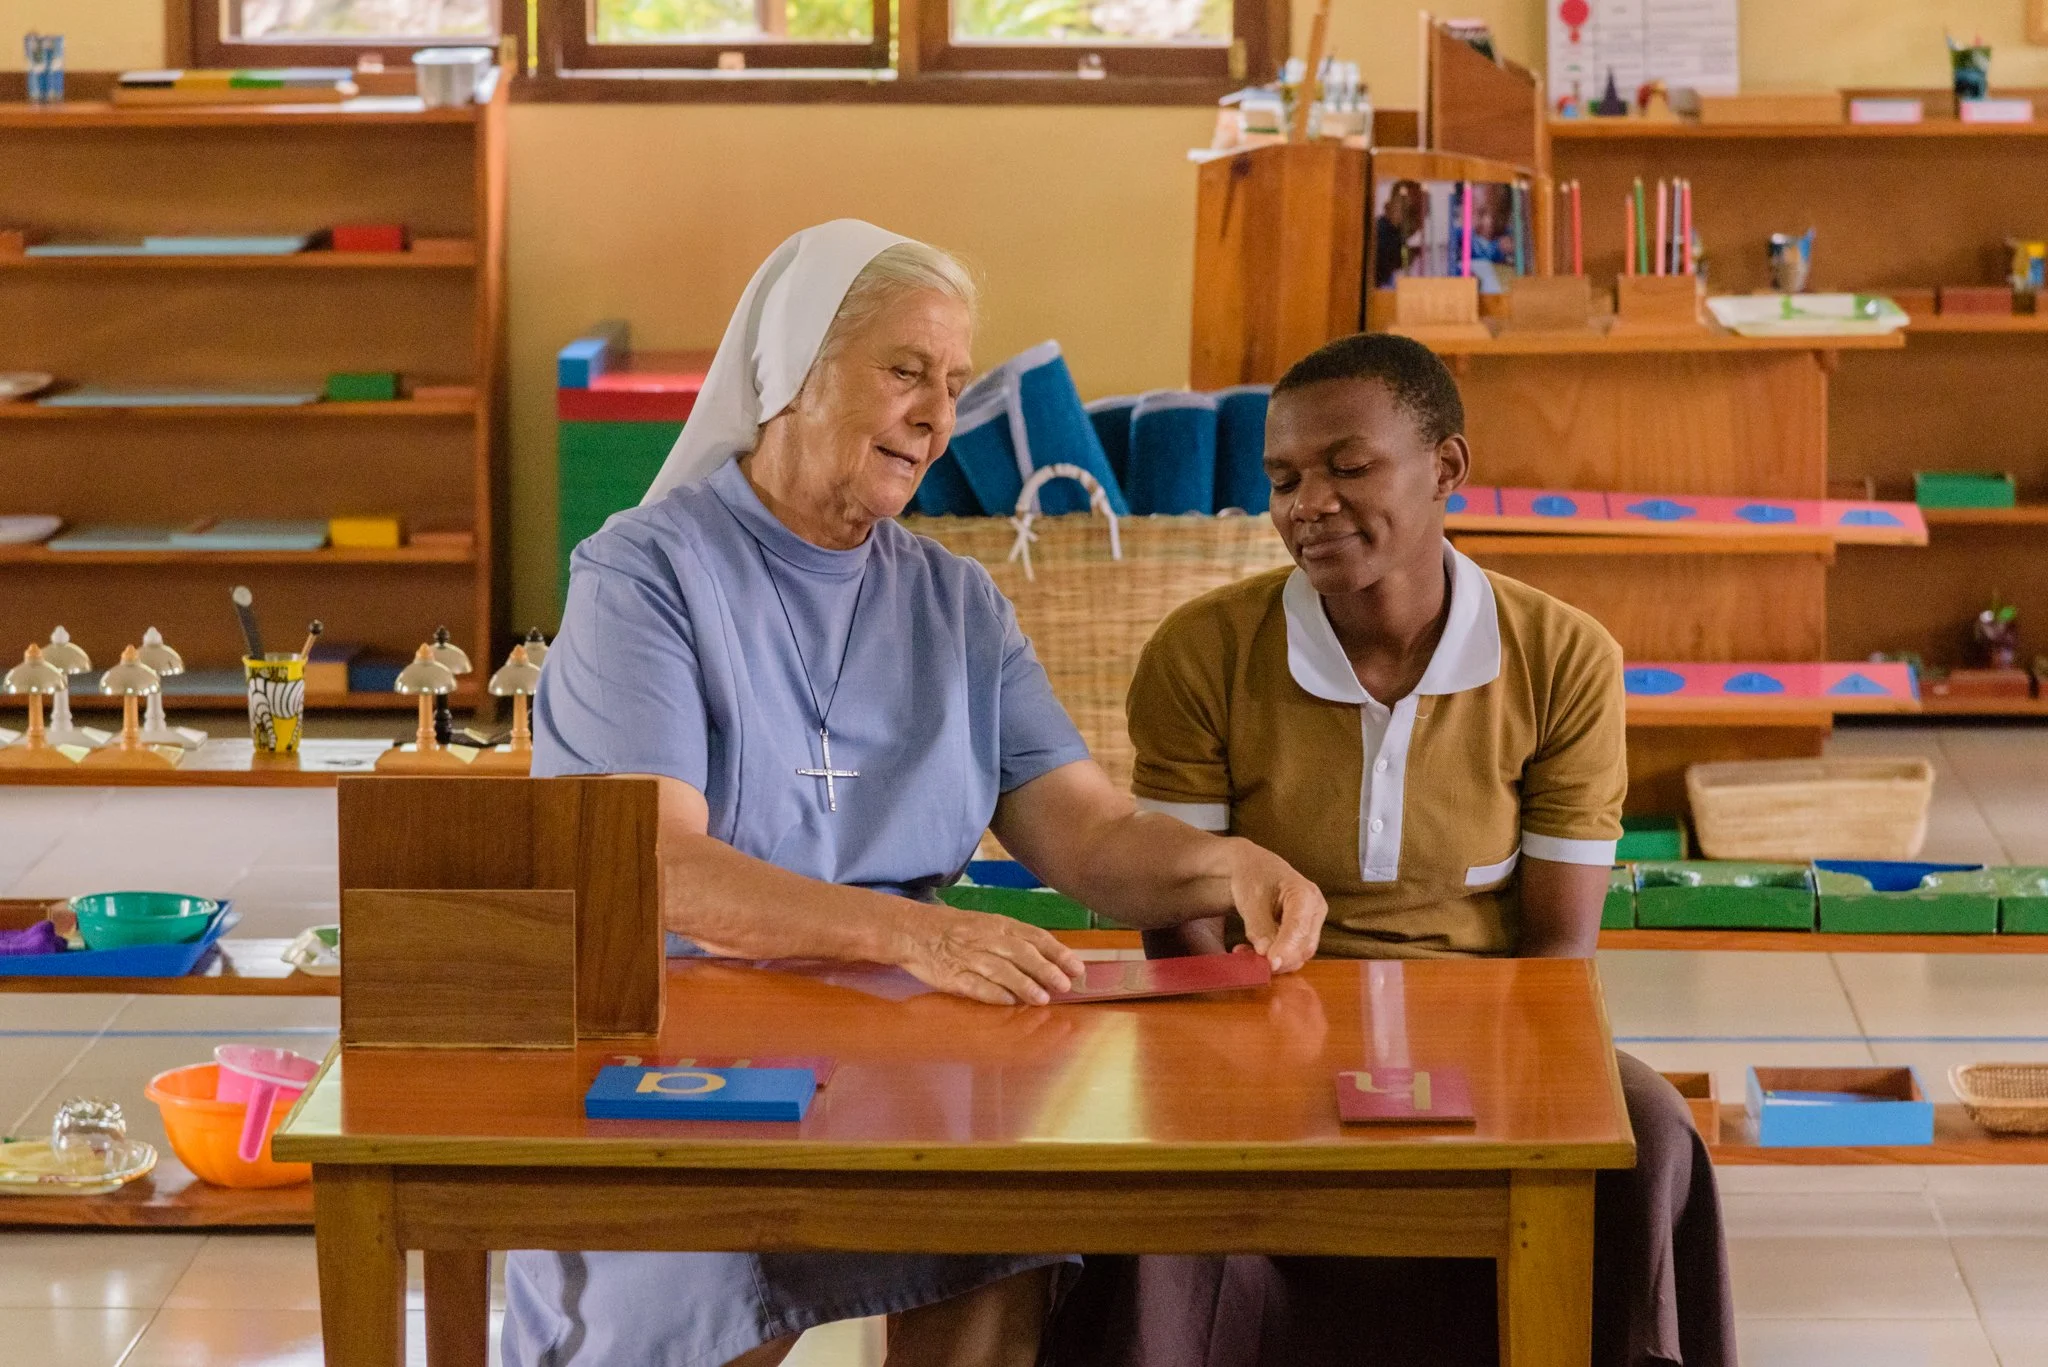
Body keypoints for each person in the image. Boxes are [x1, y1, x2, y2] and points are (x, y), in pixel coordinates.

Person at [501, 219, 1328, 1367]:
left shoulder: (955, 600)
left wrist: (1223, 864)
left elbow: (1083, 832)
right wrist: (913, 934)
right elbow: (656, 864)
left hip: (914, 1049)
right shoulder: (644, 573)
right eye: (904, 372)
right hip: (692, 1034)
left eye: (952, 382)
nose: (938, 415)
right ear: (790, 371)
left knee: (1005, 1230)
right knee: (686, 1286)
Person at [1046, 333, 1734, 1367]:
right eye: (1281, 477)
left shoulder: (1561, 657)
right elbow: (1179, 921)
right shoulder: (1202, 652)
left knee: (1649, 1134)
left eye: (1345, 467)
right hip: (1252, 1027)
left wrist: (1491, 1089)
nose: (1306, 502)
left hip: (1488, 1031)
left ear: (1446, 468)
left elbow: (1555, 954)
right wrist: (1259, 1060)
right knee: (1151, 1165)